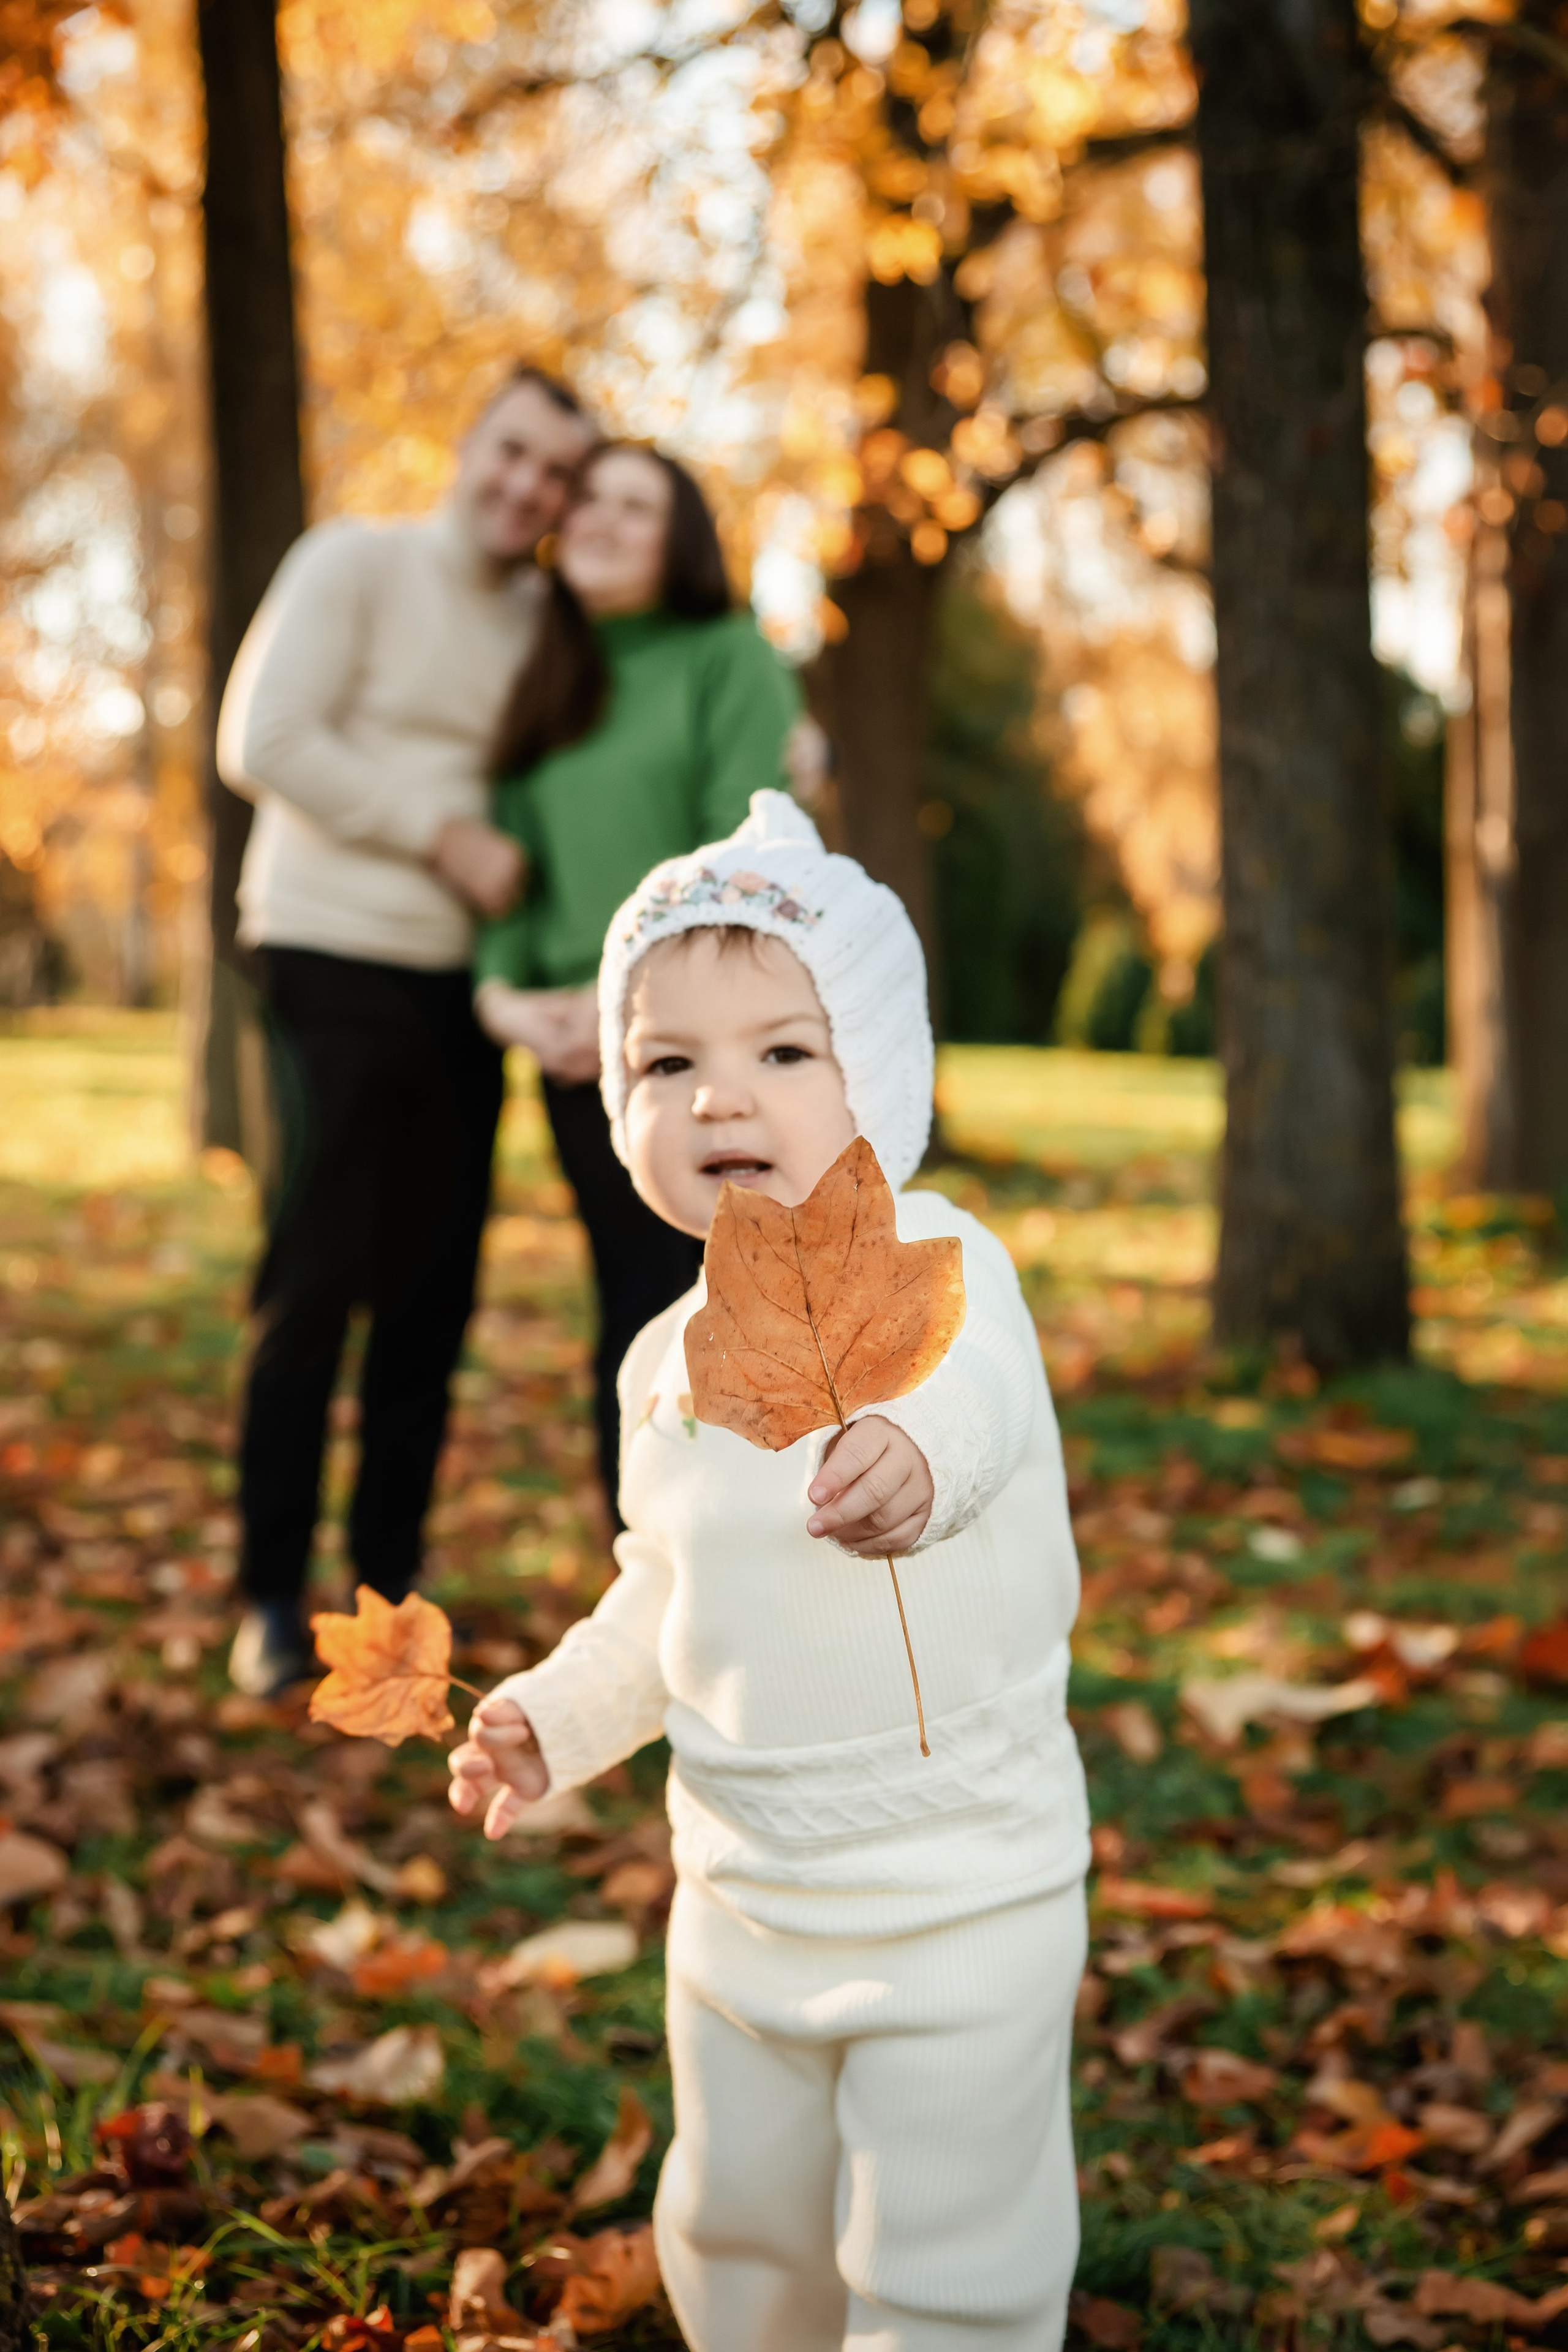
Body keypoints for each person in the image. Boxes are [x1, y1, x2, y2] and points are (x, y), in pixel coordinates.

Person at [450, 793, 1090, 2352]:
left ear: (877, 1074)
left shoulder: (942, 1260)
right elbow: (662, 1593)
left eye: (783, 1053)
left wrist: (922, 1457)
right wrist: (563, 1714)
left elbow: (983, 1403)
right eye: (667, 1063)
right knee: (740, 2220)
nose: (719, 1097)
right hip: (740, 1889)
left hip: (963, 1886)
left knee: (947, 2239)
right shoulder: (663, 1359)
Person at [216, 366, 597, 1698]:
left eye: (556, 473)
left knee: (433, 1300)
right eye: (512, 452)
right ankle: (268, 1598)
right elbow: (260, 737)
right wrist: (438, 834)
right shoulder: (356, 564)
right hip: (324, 950)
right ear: (468, 444)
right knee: (317, 1278)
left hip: (460, 988)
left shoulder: (554, 617)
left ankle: (383, 1616)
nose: (526, 487)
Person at [472, 440, 801, 1512]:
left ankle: (747, 1562)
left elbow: (736, 858)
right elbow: (509, 871)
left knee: (708, 1305)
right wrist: (508, 1001)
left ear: (683, 537)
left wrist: (626, 1010)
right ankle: (647, 1573)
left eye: (635, 506)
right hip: (574, 1052)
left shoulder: (730, 656)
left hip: (695, 1049)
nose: (601, 520)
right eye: (591, 501)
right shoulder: (547, 676)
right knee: (628, 1311)